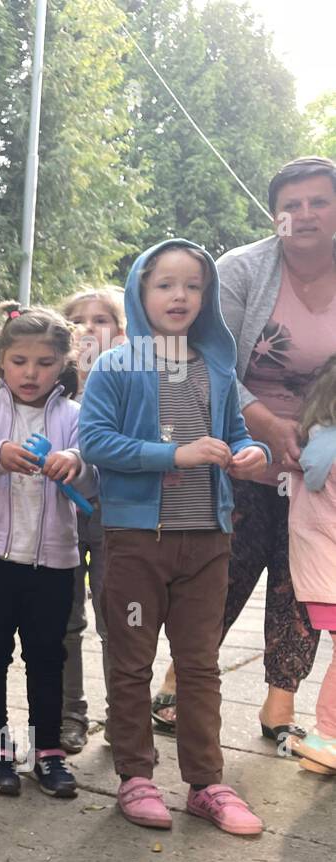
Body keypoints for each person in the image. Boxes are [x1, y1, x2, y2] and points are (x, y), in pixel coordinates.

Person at [80, 239, 270, 835]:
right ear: (141, 292)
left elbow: (240, 434)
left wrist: (252, 453)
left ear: (207, 296)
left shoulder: (216, 366)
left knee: (200, 664)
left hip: (209, 540)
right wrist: (174, 454)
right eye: (165, 284)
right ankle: (136, 776)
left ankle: (206, 783)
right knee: (132, 662)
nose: (180, 295)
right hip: (136, 541)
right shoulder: (117, 364)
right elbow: (96, 443)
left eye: (193, 285)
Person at [151, 158, 336, 750]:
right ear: (274, 214)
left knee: (305, 581)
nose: (304, 214)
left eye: (318, 201)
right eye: (292, 204)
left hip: (324, 459)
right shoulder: (241, 270)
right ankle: (181, 682)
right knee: (224, 570)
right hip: (240, 441)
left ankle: (279, 709)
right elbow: (206, 358)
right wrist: (261, 421)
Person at [0, 303, 97, 798]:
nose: (31, 372)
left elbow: (94, 476)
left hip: (55, 560)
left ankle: (48, 751)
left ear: (62, 365)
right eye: (19, 360)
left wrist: (74, 462)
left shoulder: (75, 416)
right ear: (1, 362)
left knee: (46, 655)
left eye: (45, 362)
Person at [58, 286, 127, 752]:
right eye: (77, 319)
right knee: (64, 622)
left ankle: (123, 718)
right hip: (58, 516)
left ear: (120, 333)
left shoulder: (129, 382)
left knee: (116, 619)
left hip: (114, 515)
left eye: (100, 319)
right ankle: (69, 716)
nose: (87, 327)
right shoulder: (47, 385)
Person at [289, 355, 336, 774]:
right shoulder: (328, 443)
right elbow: (315, 468)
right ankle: (327, 738)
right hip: (328, 572)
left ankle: (327, 739)